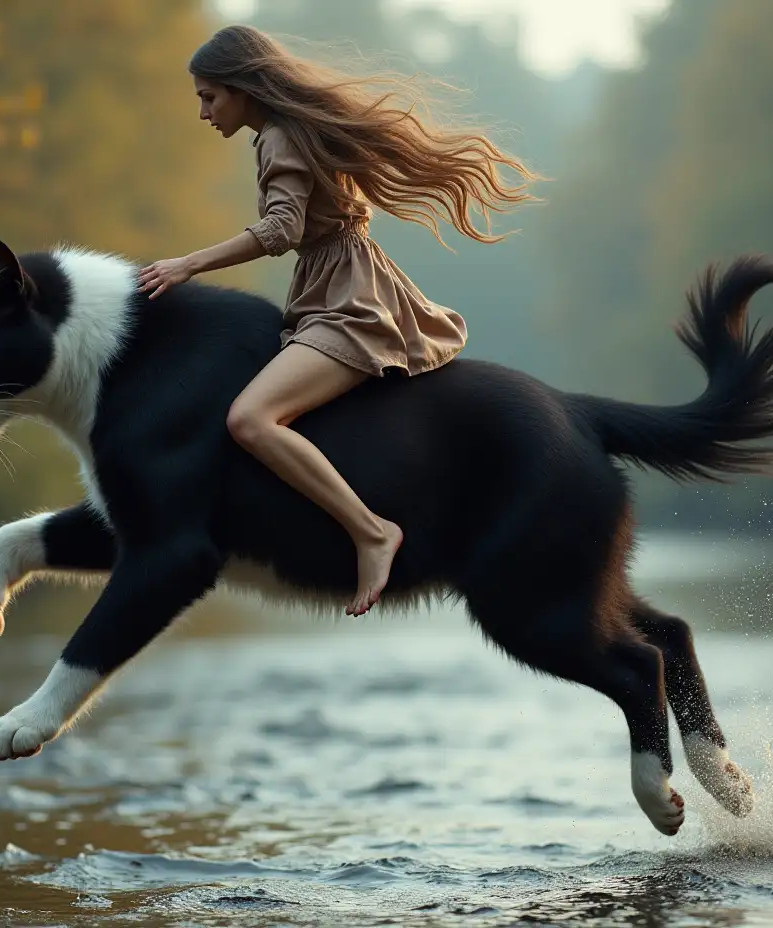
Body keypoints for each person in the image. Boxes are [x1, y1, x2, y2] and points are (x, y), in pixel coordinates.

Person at [137, 24, 536, 617]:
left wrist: (188, 264)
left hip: (348, 302)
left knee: (250, 419)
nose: (203, 111)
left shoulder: (279, 137)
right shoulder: (290, 130)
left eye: (209, 96)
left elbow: (282, 231)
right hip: (345, 285)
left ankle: (372, 531)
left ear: (244, 89)